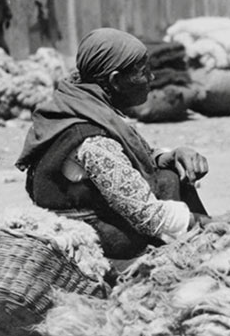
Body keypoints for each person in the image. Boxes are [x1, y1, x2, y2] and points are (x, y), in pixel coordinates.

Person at [16, 28, 212, 260]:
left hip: (93, 214)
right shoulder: (92, 140)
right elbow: (147, 215)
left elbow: (136, 156)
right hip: (95, 239)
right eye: (143, 72)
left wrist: (171, 155)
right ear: (116, 80)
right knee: (171, 184)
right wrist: (208, 224)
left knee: (168, 173)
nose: (151, 78)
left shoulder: (81, 103)